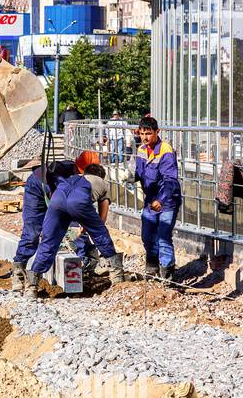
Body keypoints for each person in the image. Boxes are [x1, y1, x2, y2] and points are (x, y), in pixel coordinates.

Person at [27, 160, 123, 291]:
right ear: (101, 176)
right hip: (79, 201)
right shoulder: (102, 183)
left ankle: (32, 285)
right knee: (101, 235)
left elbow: (69, 202)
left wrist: (84, 223)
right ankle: (117, 276)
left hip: (57, 200)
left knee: (48, 241)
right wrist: (92, 226)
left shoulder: (73, 178)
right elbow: (102, 216)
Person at [13, 151, 91, 292]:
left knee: (63, 232)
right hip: (36, 188)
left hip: (56, 194)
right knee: (32, 232)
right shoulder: (63, 176)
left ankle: (82, 263)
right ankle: (19, 271)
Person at [134, 115, 181, 281]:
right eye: (142, 134)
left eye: (148, 133)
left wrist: (160, 200)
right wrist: (129, 176)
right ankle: (152, 267)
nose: (145, 137)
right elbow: (139, 173)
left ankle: (167, 273)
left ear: (157, 132)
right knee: (147, 236)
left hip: (167, 201)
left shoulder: (165, 150)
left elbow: (170, 180)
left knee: (163, 236)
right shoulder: (141, 150)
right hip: (150, 200)